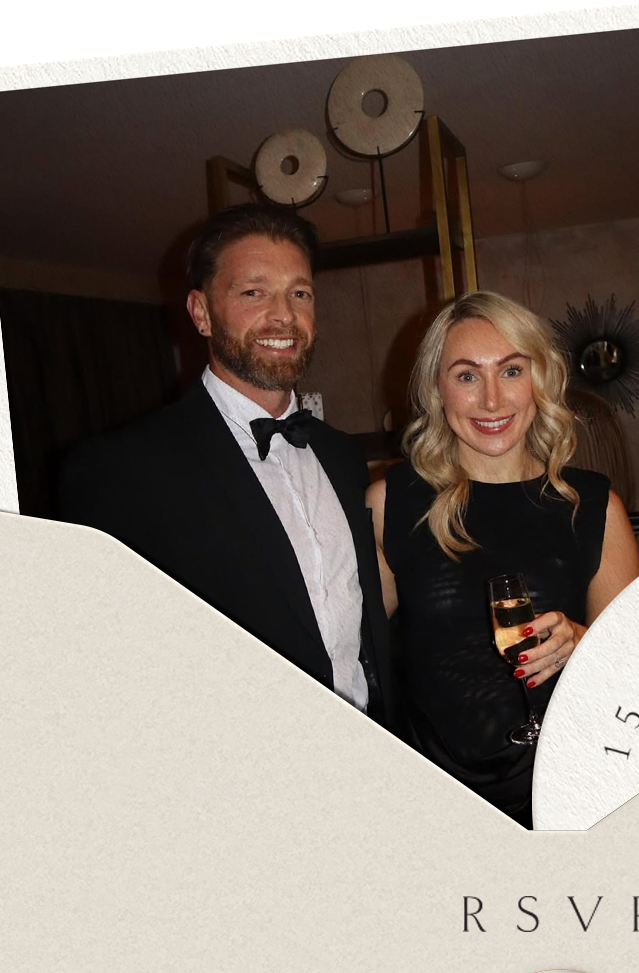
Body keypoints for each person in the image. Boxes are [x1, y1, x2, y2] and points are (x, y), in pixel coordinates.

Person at [58, 205, 396, 730]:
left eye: (300, 294)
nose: (283, 316)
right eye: (253, 292)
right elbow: (100, 662)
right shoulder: (119, 470)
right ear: (201, 313)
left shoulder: (343, 457)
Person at [368, 292, 639, 827]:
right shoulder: (390, 504)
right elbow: (355, 655)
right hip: (432, 800)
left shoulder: (595, 507)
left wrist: (584, 642)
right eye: (467, 376)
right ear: (437, 388)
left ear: (539, 380)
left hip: (564, 789)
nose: (492, 400)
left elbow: (636, 667)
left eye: (512, 371)